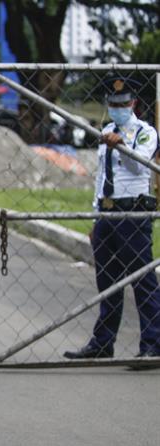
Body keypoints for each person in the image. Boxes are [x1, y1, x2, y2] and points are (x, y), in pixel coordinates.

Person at [64, 76, 160, 362]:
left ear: (133, 104)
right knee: (107, 281)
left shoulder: (145, 132)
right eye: (113, 104)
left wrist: (121, 145)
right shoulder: (106, 130)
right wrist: (96, 215)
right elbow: (101, 176)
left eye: (123, 103)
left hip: (132, 213)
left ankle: (152, 344)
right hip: (106, 212)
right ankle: (103, 342)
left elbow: (137, 164)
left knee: (142, 280)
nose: (118, 108)